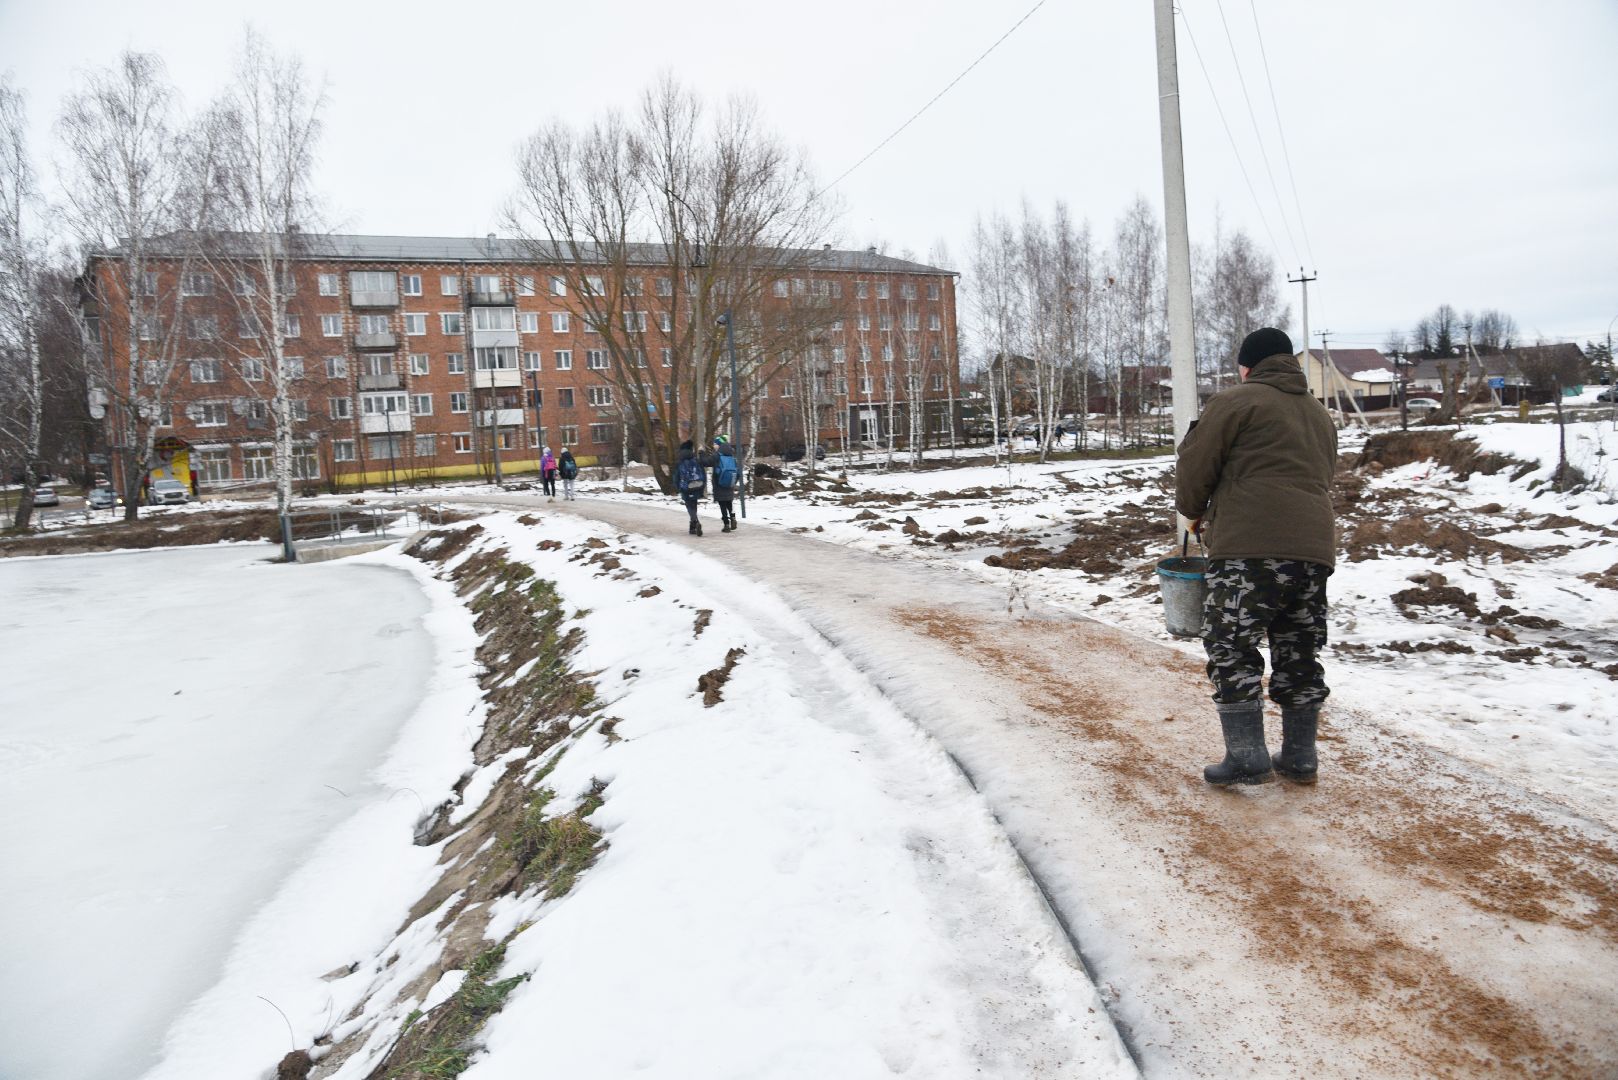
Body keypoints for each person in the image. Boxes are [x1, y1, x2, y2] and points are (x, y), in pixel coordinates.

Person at [1175, 327, 1338, 787]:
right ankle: (1300, 757)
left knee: (1231, 644)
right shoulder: (1319, 413)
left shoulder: (1235, 402)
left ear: (1247, 366)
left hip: (1249, 547)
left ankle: (1247, 757)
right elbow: (1324, 474)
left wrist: (1192, 512)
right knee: (1298, 647)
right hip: (1313, 550)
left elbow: (1195, 465)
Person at [674, 439, 706, 536]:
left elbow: (676, 477)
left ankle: (696, 521)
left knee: (689, 505)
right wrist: (702, 486)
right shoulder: (695, 459)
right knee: (694, 504)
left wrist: (678, 487)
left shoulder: (680, 462)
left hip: (686, 487)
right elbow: (703, 473)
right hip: (697, 485)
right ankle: (692, 527)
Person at [711, 436, 740, 532]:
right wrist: (733, 481)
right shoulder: (732, 456)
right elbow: (738, 472)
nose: (714, 446)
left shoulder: (717, 456)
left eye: (715, 444)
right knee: (729, 502)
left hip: (719, 484)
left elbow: (707, 462)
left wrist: (701, 453)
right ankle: (733, 517)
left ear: (719, 445)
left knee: (722, 504)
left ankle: (726, 524)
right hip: (730, 483)